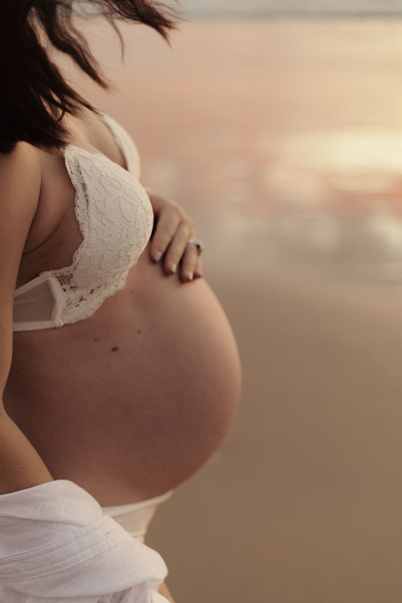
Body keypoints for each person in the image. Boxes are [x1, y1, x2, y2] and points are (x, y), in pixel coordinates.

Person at [0, 1, 242, 601]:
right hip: (49, 535)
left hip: (101, 514)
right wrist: (98, 576)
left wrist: (135, 210)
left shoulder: (22, 72)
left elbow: (40, 223)